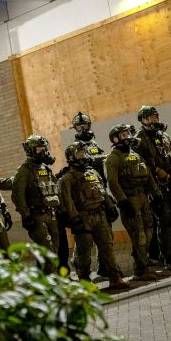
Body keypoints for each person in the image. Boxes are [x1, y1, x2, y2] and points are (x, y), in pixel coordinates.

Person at [59, 141, 129, 290]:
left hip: (100, 215)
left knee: (107, 247)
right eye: (79, 154)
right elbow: (67, 201)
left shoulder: (93, 173)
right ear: (71, 157)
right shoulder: (67, 179)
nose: (83, 156)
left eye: (84, 153)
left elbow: (102, 191)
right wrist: (74, 219)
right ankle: (85, 280)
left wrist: (110, 207)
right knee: (84, 252)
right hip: (83, 218)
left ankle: (115, 277)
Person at [105, 123, 162, 281]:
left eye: (129, 133)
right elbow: (112, 182)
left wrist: (156, 194)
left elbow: (148, 176)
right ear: (115, 139)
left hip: (144, 197)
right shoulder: (113, 158)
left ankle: (141, 261)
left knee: (148, 231)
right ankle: (142, 268)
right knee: (139, 235)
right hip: (130, 200)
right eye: (124, 135)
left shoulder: (135, 155)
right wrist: (122, 202)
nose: (129, 137)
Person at [135, 106, 171, 269]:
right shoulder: (139, 140)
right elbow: (141, 165)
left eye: (155, 117)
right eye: (150, 117)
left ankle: (161, 248)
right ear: (142, 120)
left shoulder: (164, 136)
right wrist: (157, 171)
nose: (154, 120)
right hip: (155, 186)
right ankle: (168, 257)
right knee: (165, 219)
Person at [69, 111, 118, 279]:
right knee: (85, 238)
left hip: (100, 188)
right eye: (79, 126)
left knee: (105, 233)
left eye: (86, 125)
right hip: (86, 195)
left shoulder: (94, 143)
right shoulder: (76, 147)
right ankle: (79, 265)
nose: (83, 128)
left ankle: (106, 265)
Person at [12, 135, 61, 256]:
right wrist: (26, 215)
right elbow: (18, 195)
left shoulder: (46, 168)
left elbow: (55, 188)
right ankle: (50, 273)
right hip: (37, 217)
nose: (44, 152)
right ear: (30, 151)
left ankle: (47, 273)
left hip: (51, 215)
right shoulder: (24, 171)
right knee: (47, 251)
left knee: (54, 250)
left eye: (44, 148)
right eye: (39, 149)